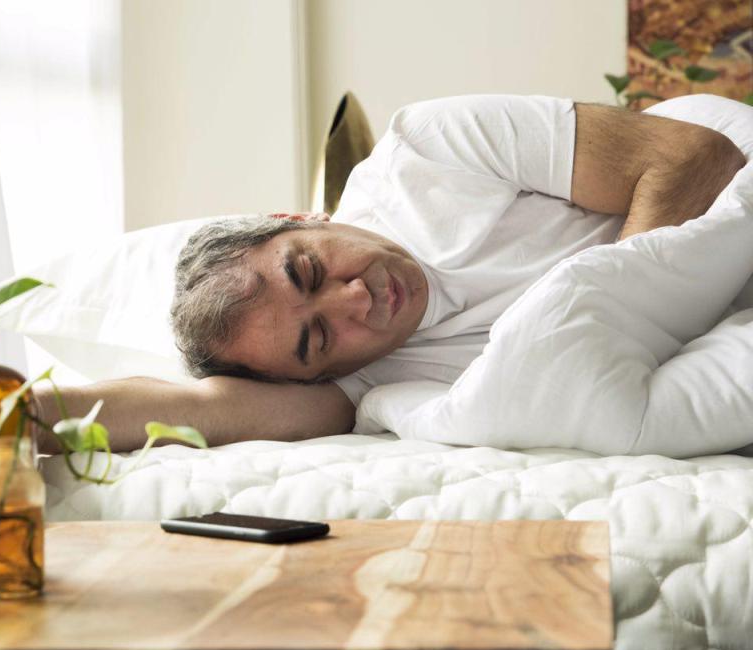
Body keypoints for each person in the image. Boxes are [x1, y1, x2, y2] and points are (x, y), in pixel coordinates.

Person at [37, 94, 746, 453]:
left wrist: (609, 313)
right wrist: (9, 417)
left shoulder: (428, 150)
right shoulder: (361, 386)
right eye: (316, 338)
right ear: (314, 375)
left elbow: (690, 158)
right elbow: (196, 409)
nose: (357, 299)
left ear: (297, 217)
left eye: (309, 270)